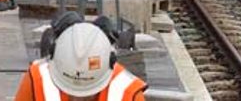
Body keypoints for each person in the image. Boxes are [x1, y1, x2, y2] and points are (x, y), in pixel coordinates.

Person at [16, 22, 147, 101]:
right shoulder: (37, 80)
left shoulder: (128, 95)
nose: (78, 98)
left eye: (88, 95)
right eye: (71, 93)